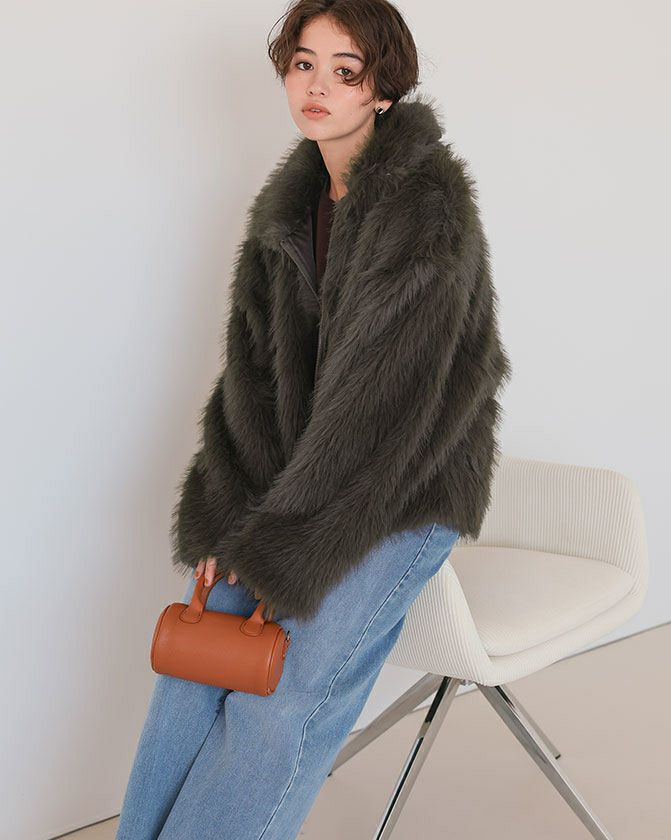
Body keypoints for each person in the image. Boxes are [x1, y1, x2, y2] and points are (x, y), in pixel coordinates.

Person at [116, 1, 511, 837]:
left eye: (345, 70)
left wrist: (286, 548)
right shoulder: (287, 211)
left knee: (282, 696)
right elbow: (252, 381)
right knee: (192, 665)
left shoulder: (426, 211)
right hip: (296, 494)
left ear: (382, 89)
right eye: (304, 64)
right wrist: (228, 513)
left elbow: (385, 419)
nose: (318, 86)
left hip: (399, 496)